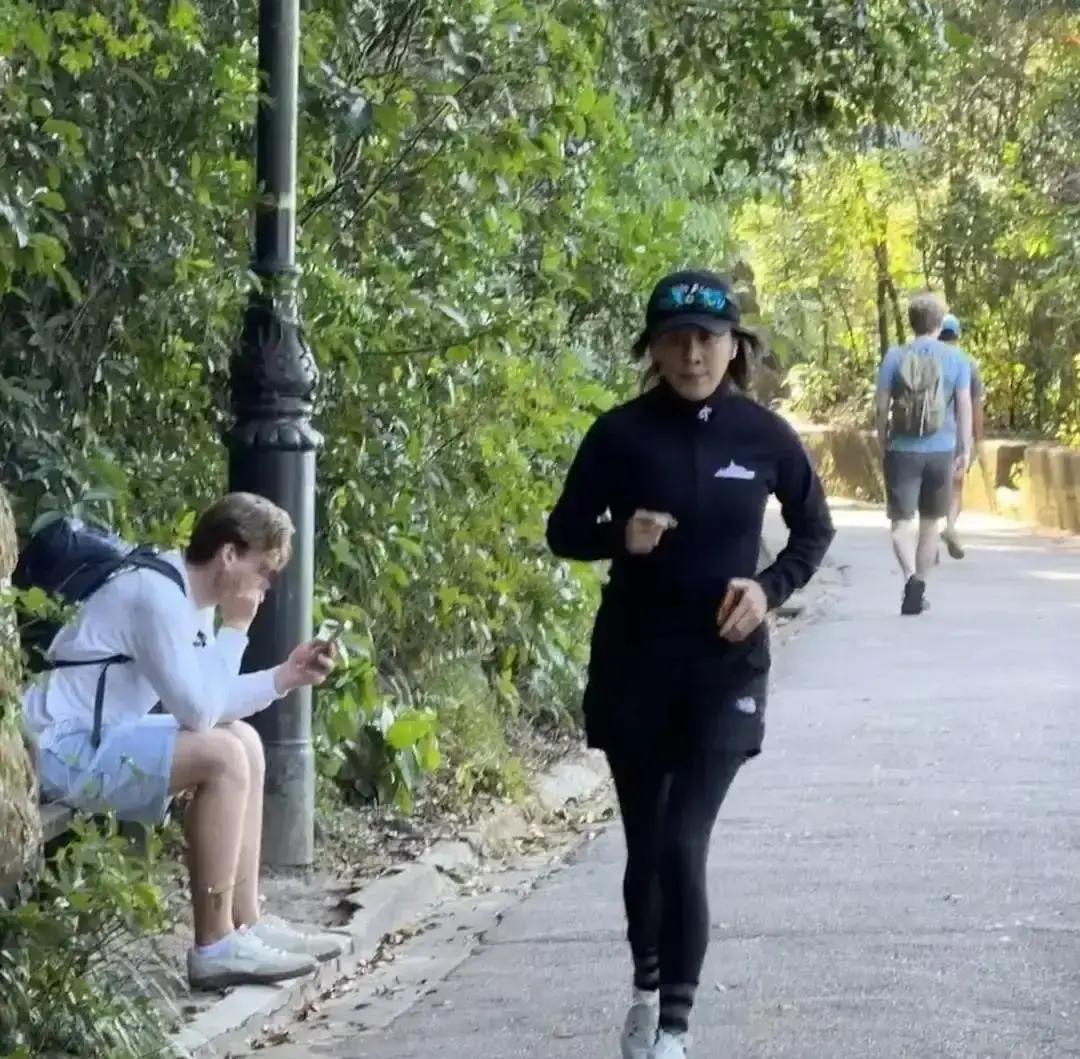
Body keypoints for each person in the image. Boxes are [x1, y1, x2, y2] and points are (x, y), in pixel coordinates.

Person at [546, 270, 835, 1059]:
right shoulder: (619, 434)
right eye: (674, 339)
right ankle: (646, 989)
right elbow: (564, 530)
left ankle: (675, 1026)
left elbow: (815, 530)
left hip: (725, 669)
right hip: (635, 664)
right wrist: (620, 536)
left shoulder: (765, 436)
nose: (691, 353)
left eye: (706, 339)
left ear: (735, 347)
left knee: (682, 838)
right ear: (654, 349)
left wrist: (767, 588)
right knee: (646, 845)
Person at [23, 493, 347, 990]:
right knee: (221, 755)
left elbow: (209, 701)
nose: (265, 586)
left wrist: (285, 675)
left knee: (244, 741)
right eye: (264, 570)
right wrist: (236, 627)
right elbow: (198, 712)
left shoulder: (183, 594)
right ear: (229, 554)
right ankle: (214, 946)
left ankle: (246, 924)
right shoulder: (155, 596)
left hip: (101, 735)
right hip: (59, 748)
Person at [875, 293, 972, 616]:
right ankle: (921, 587)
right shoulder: (957, 359)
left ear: (911, 321)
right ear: (938, 323)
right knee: (930, 524)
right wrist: (965, 446)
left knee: (901, 524)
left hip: (902, 450)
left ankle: (910, 578)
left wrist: (882, 437)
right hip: (941, 450)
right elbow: (964, 405)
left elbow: (881, 404)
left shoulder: (894, 357)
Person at [937, 313, 985, 559]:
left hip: (928, 435)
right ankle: (950, 526)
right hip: (957, 434)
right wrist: (978, 437)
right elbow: (974, 406)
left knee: (933, 486)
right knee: (956, 486)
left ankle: (929, 533)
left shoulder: (927, 358)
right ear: (957, 335)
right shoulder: (968, 363)